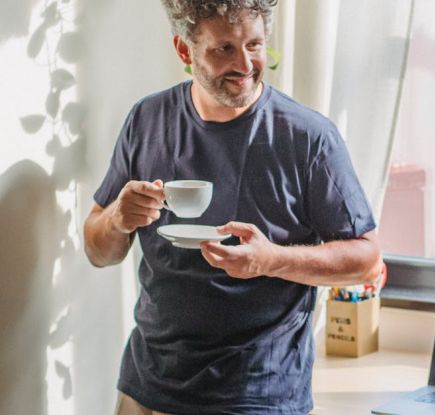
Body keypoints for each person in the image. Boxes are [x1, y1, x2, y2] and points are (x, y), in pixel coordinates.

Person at [82, 1, 382, 413]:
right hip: (148, 387)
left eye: (255, 45)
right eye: (224, 49)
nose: (245, 64)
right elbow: (98, 251)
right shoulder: (147, 119)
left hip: (258, 393)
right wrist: (117, 218)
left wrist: (270, 260)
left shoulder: (308, 138)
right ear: (185, 51)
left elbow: (365, 258)